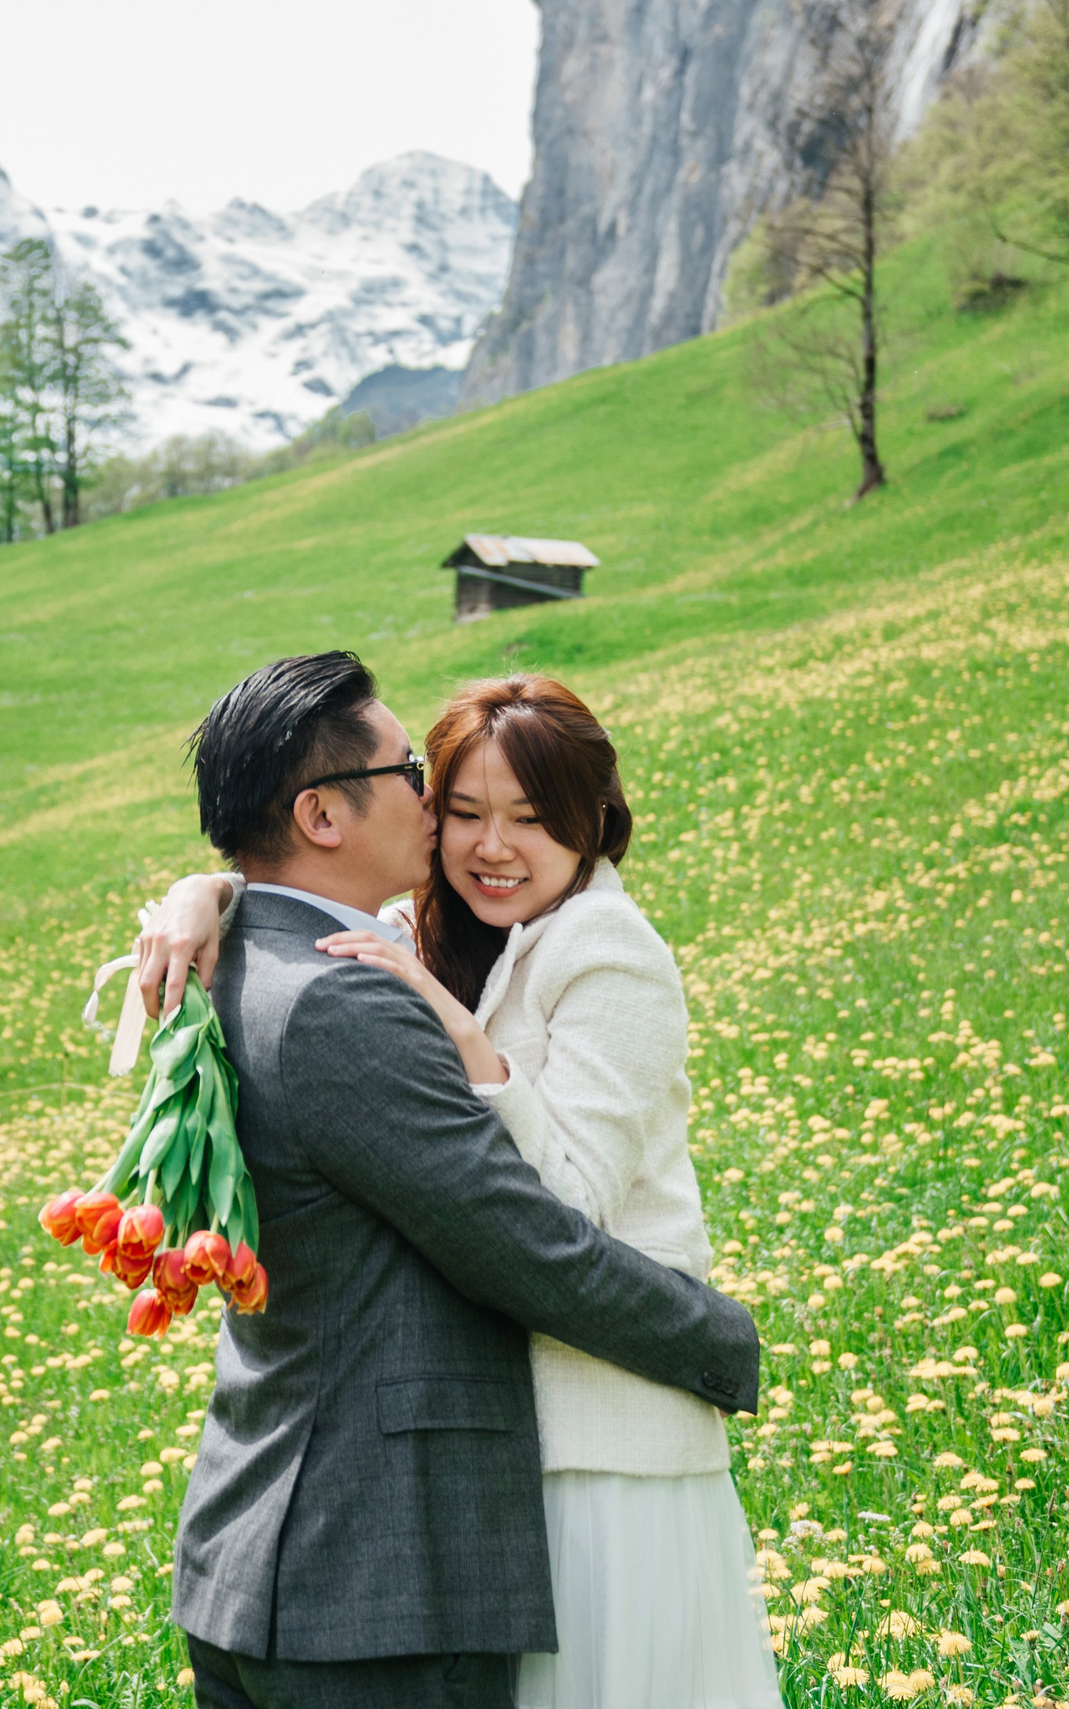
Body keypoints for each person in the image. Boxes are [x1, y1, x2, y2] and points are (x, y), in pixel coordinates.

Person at [143, 672, 780, 1709]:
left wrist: (465, 1034)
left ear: (592, 825)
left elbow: (558, 1205)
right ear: (320, 812)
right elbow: (520, 1237)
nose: (465, 829)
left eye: (530, 818)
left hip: (593, 1442)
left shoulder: (592, 947)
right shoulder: (371, 960)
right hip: (419, 1527)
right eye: (436, 788)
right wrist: (201, 891)